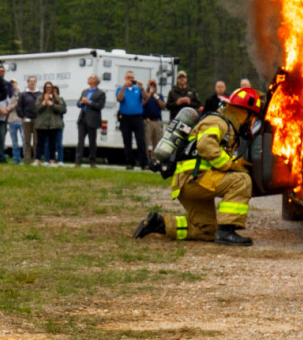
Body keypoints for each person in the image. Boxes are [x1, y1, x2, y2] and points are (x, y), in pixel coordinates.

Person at [137, 84, 259, 247]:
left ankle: (159, 224)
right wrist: (230, 165)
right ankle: (226, 231)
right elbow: (205, 146)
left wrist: (235, 163)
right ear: (243, 112)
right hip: (195, 178)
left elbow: (207, 153)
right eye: (252, 118)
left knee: (206, 230)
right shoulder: (218, 122)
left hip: (188, 180)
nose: (251, 123)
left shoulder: (224, 124)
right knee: (242, 180)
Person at [116, 73, 146, 169]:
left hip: (138, 118)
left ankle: (144, 163)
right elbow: (119, 98)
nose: (130, 80)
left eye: (132, 78)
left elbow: (147, 97)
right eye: (128, 78)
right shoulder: (120, 89)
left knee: (141, 140)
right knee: (127, 141)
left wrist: (142, 88)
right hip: (125, 118)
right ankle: (130, 163)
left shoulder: (137, 89)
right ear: (125, 79)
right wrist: (124, 87)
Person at [76, 74, 107, 166]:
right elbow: (78, 103)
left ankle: (92, 161)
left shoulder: (101, 93)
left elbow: (100, 106)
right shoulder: (84, 92)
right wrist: (82, 102)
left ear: (95, 81)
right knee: (80, 141)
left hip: (92, 120)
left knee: (92, 142)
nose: (88, 79)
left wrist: (89, 102)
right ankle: (78, 161)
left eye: (90, 78)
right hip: (82, 118)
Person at [33, 80, 66, 165]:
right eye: (46, 87)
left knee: (52, 143)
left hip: (53, 125)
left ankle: (52, 161)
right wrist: (44, 102)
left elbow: (63, 109)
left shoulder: (58, 98)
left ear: (52, 88)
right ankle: (37, 160)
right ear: (44, 88)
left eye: (50, 87)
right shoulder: (40, 98)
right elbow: (36, 109)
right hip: (42, 124)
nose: (48, 89)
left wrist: (52, 105)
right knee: (40, 143)